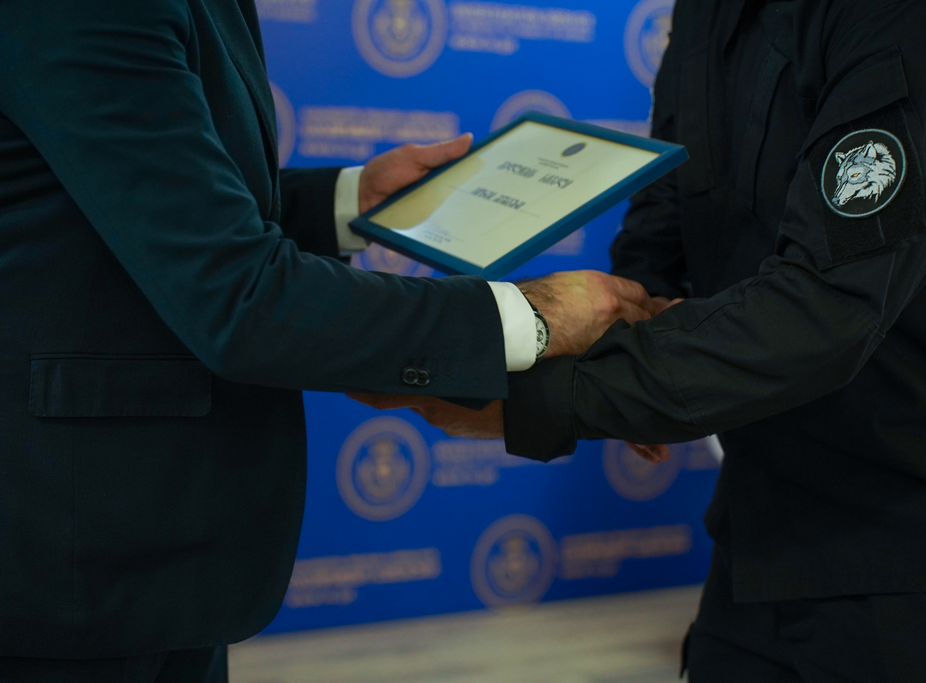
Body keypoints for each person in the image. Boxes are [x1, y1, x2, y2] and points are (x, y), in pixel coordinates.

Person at [0, 0, 657, 680]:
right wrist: (533, 314)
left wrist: (353, 201)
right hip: (75, 563)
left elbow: (159, 195)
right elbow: (238, 297)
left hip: (152, 561)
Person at [375, 0, 926, 680]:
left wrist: (544, 396)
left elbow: (828, 306)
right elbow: (669, 203)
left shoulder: (925, 16)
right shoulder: (707, 11)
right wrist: (620, 322)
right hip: (760, 533)